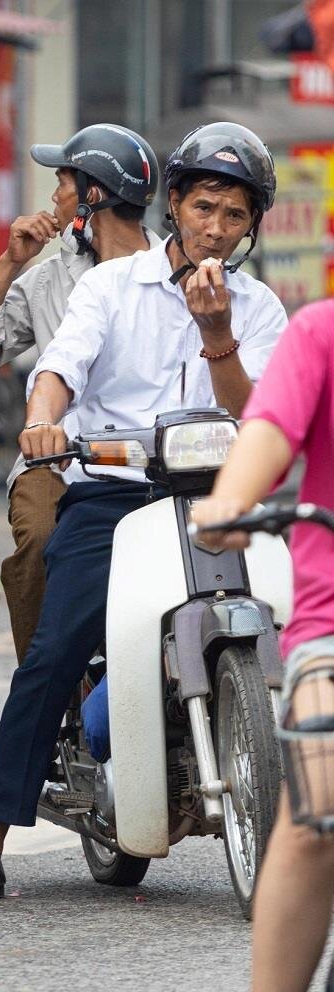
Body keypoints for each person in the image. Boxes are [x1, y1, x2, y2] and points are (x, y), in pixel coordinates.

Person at [0, 122, 287, 906]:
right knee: (56, 647)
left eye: (235, 217)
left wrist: (217, 333)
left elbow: (262, 417)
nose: (217, 230)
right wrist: (45, 419)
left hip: (217, 497)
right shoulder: (107, 287)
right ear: (175, 204)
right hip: (111, 491)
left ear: (251, 226)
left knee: (296, 627)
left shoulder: (259, 309)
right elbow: (59, 368)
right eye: (204, 209)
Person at [0, 124, 161, 662]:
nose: (52, 196)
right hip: (59, 462)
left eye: (62, 181)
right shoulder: (48, 280)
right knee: (41, 542)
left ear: (92, 195)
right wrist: (11, 260)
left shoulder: (172, 274)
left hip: (155, 463)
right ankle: (48, 691)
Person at [191, 301, 334, 992]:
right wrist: (232, 500)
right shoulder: (320, 333)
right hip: (332, 630)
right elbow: (269, 429)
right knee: (320, 809)